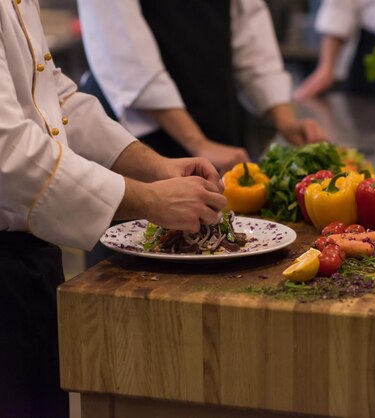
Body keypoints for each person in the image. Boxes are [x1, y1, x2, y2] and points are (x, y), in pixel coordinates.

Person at [0, 1, 228, 416]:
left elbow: (56, 99)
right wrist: (149, 200)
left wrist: (157, 167)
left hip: (29, 262)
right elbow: (9, 153)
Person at [77, 0, 328, 174]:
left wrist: (284, 119)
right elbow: (126, 57)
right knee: (140, 242)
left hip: (212, 115)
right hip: (134, 133)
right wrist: (198, 143)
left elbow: (249, 28)